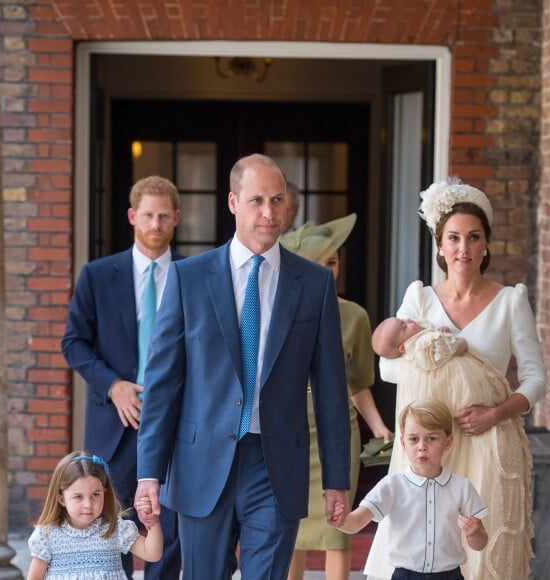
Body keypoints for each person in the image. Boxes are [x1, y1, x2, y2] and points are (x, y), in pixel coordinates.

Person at [134, 153, 352, 579]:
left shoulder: (314, 284)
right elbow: (162, 385)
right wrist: (149, 474)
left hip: (276, 467)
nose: (269, 213)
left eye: (277, 200)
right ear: (233, 202)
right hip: (202, 463)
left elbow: (330, 389)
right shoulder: (188, 278)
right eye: (256, 201)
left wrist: (336, 477)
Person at [365, 177, 548, 580]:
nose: (463, 248)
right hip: (428, 442)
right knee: (416, 544)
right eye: (453, 238)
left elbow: (536, 380)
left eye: (473, 237)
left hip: (485, 440)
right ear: (441, 246)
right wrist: (435, 369)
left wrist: (496, 413)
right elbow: (386, 366)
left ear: (486, 244)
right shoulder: (421, 299)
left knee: (477, 545)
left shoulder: (510, 302)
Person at [61, 176, 183, 579]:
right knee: (108, 529)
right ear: (132, 216)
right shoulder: (97, 275)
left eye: (164, 215)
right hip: (114, 426)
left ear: (177, 219)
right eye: (147, 214)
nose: (155, 223)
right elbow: (74, 342)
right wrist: (113, 386)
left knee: (167, 530)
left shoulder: (194, 276)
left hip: (176, 424)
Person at [281, 215, 392, 580]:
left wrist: (379, 428)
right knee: (293, 530)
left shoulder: (356, 317)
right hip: (292, 434)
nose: (329, 271)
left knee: (337, 529)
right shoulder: (281, 314)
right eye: (319, 263)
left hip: (338, 434)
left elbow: (359, 384)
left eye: (334, 261)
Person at [334, 400, 488, 580]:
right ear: (403, 443)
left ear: (448, 442)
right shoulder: (391, 486)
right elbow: (356, 522)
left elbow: (480, 543)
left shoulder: (462, 487)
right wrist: (341, 518)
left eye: (432, 438)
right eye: (414, 439)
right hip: (405, 575)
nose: (422, 446)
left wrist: (474, 533)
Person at [27, 451, 163, 580]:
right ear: (62, 499)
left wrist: (152, 520)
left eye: (95, 495)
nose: (88, 504)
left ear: (104, 492)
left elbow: (152, 554)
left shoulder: (114, 528)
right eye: (78, 497)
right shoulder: (47, 535)